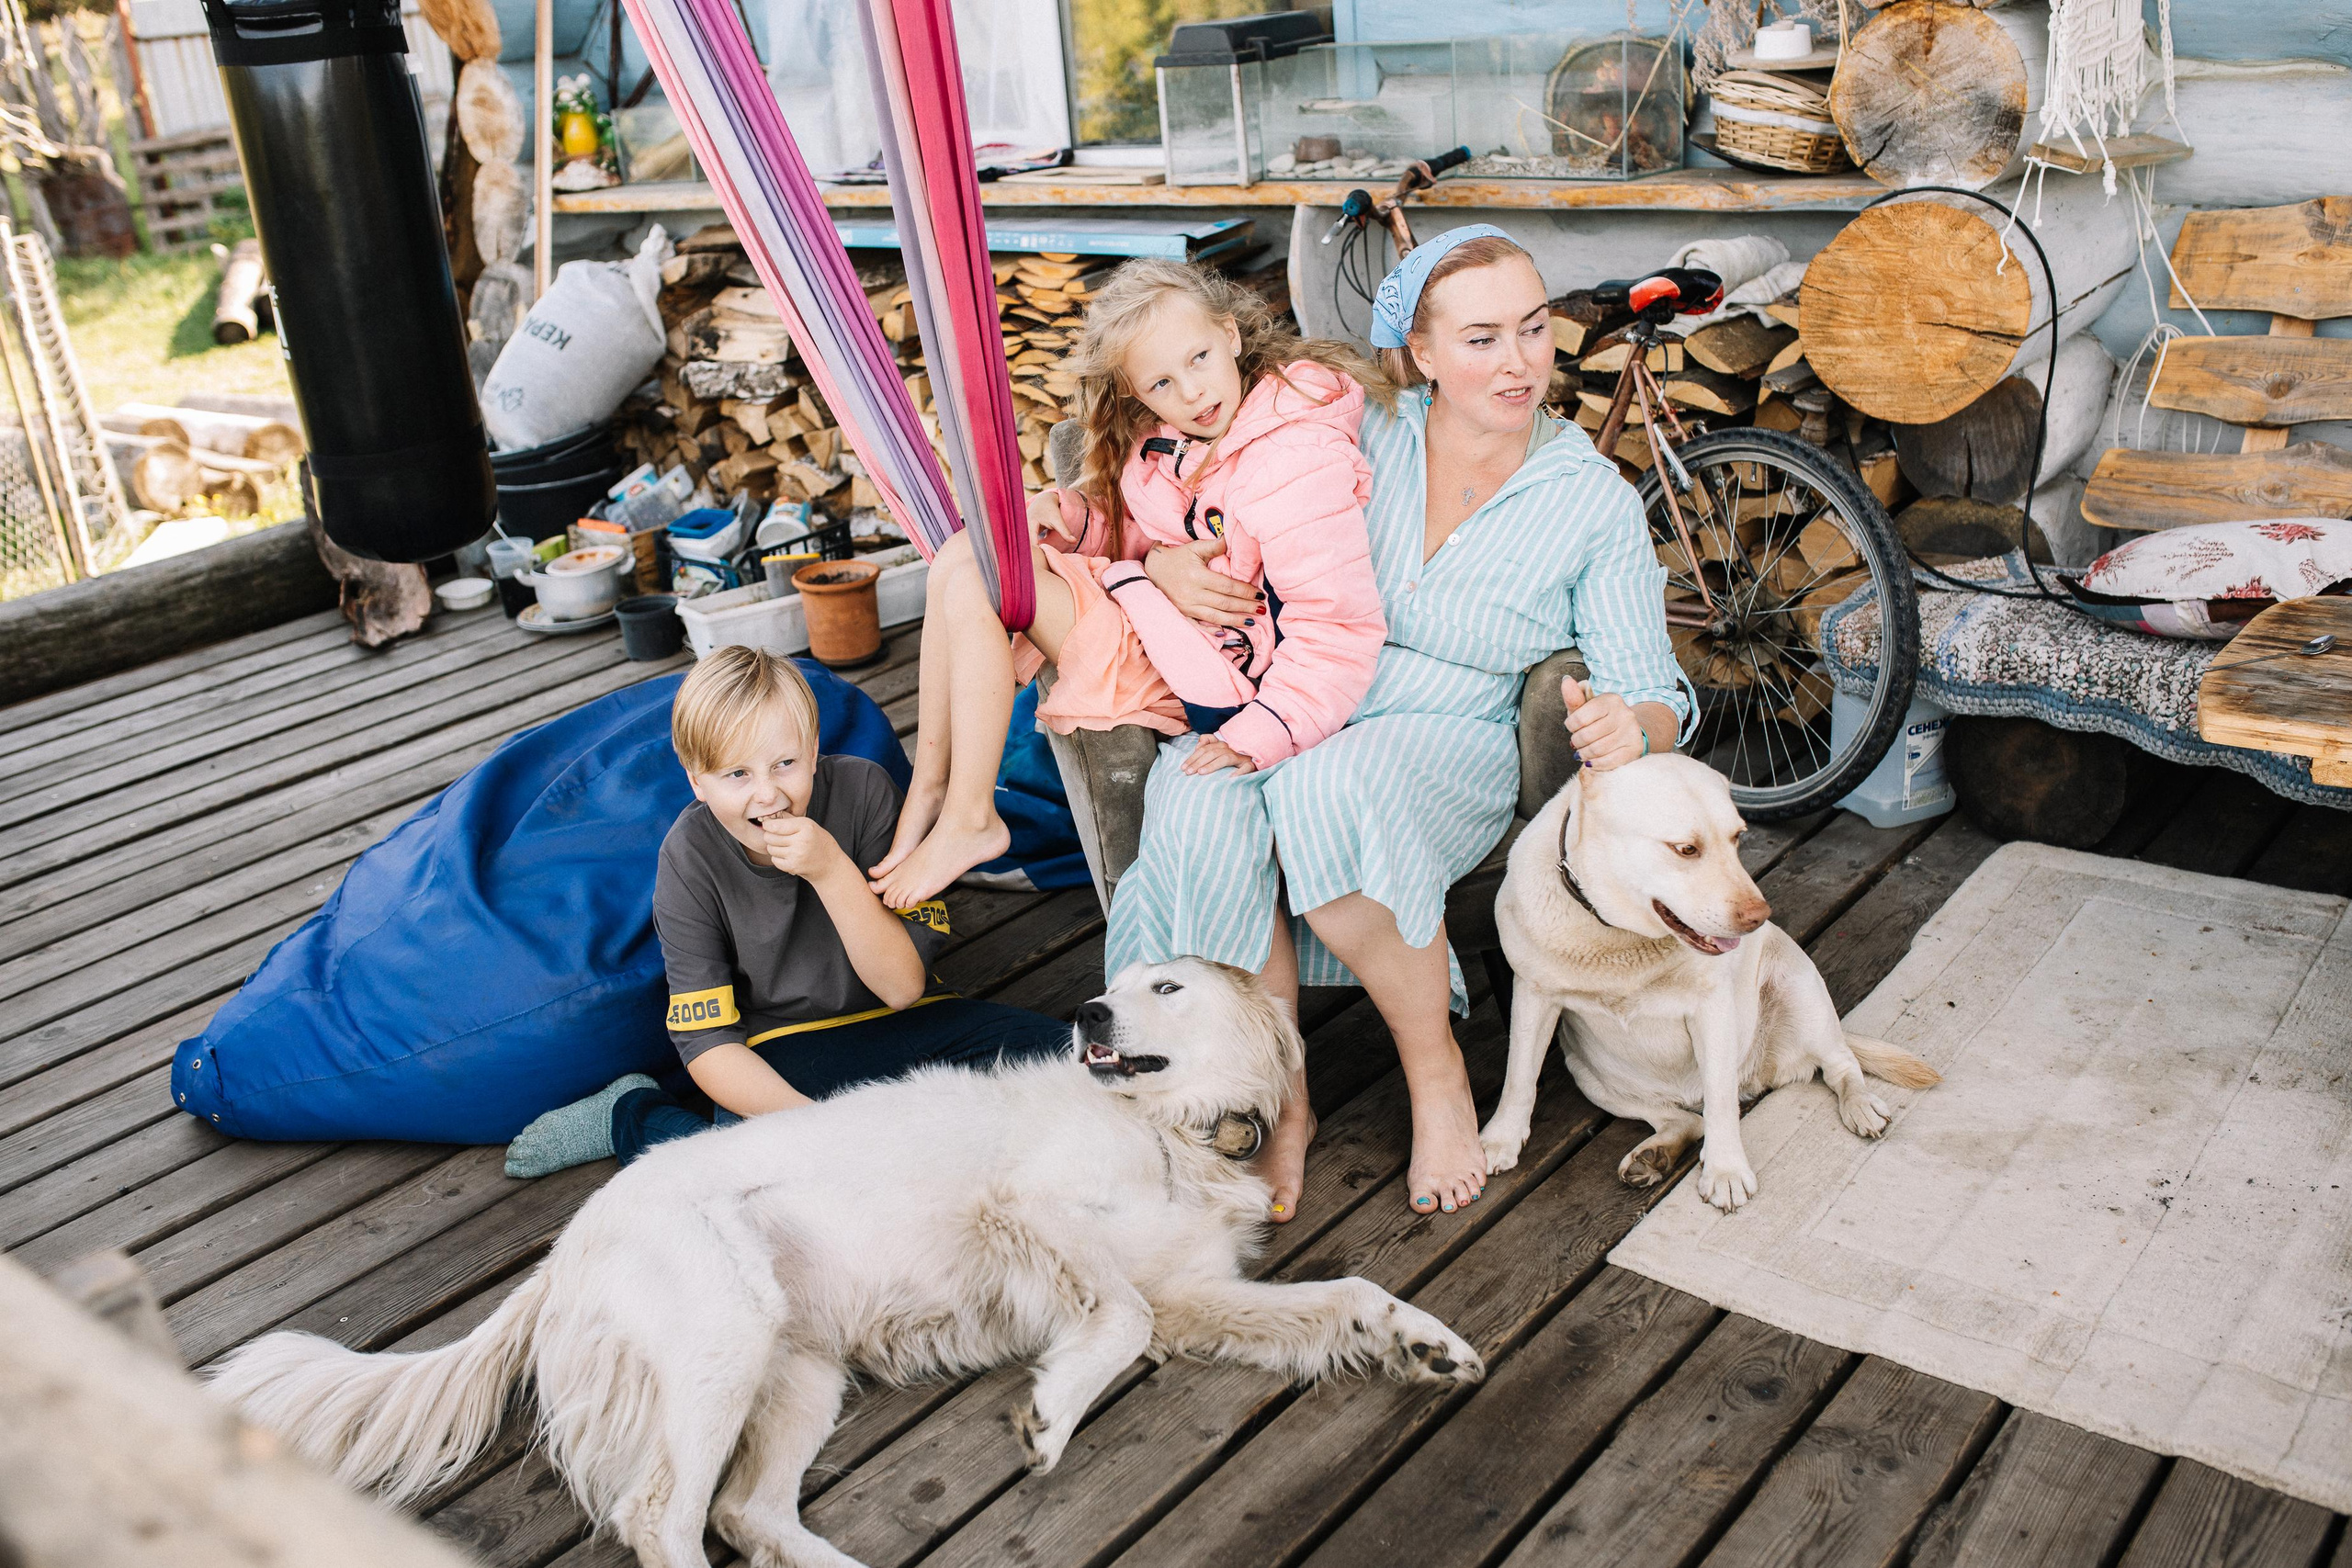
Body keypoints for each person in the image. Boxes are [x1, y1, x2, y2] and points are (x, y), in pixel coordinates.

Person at [1104, 226, 1694, 1223]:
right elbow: (1192, 499)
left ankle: (1436, 1076)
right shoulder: (1351, 425)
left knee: (1326, 782)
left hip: (1449, 736)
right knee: (1197, 793)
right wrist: (1160, 564)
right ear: (1419, 353)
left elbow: (1657, 687)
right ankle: (1278, 1098)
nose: (1516, 363)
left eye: (1533, 329)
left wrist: (1631, 728)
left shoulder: (1590, 498)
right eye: (1480, 339)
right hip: (1284, 696)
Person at [867, 258, 1390, 913]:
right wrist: (1076, 523)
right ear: (1136, 392)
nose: (1193, 391)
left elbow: (1337, 628)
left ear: (1230, 334)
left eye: (1199, 357)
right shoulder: (1172, 441)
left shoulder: (1291, 459)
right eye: (1163, 382)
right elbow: (1151, 537)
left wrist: (1258, 734)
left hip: (1221, 677)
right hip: (1166, 628)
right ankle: (932, 789)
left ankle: (972, 816)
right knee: (958, 555)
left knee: (987, 581)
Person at [503, 646, 1072, 1177]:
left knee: (1073, 1064)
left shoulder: (863, 790)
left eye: (785, 763)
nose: (768, 795)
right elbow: (708, 1046)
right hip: (789, 1048)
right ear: (696, 780)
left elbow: (902, 988)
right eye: (737, 774)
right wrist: (817, 1129)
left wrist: (830, 869)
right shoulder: (688, 856)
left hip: (910, 1022)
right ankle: (634, 1112)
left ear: (815, 747)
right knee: (764, 1179)